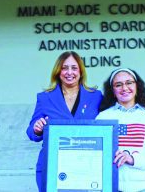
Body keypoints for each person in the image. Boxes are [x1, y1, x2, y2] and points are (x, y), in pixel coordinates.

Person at [26, 51, 102, 191]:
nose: (69, 72)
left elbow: (117, 110)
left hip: (87, 166)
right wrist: (37, 128)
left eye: (74, 68)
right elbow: (31, 132)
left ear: (81, 71)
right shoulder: (45, 97)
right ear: (57, 71)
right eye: (64, 68)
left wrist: (144, 109)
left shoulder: (96, 96)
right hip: (53, 165)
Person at [96, 68, 145, 192]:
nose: (124, 88)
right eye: (118, 85)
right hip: (111, 188)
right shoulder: (102, 117)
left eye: (129, 82)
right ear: (113, 91)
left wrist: (133, 159)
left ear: (137, 86)